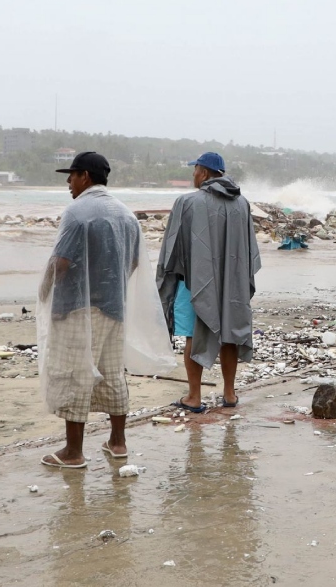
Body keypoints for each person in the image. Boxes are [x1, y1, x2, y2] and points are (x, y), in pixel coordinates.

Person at [37, 152, 174, 469]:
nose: (68, 183)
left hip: (77, 309)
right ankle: (118, 442)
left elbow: (61, 262)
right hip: (114, 309)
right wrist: (110, 287)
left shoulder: (77, 213)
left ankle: (73, 452)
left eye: (71, 176)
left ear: (85, 176)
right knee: (112, 373)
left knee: (76, 374)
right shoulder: (125, 214)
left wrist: (44, 291)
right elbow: (135, 261)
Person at [158, 152, 261, 412]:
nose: (193, 174)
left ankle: (194, 396)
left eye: (195, 170)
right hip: (232, 284)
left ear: (204, 173)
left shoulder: (187, 203)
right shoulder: (242, 204)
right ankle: (229, 394)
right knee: (229, 334)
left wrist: (166, 280)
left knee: (193, 335)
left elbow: (172, 249)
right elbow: (249, 252)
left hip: (195, 282)